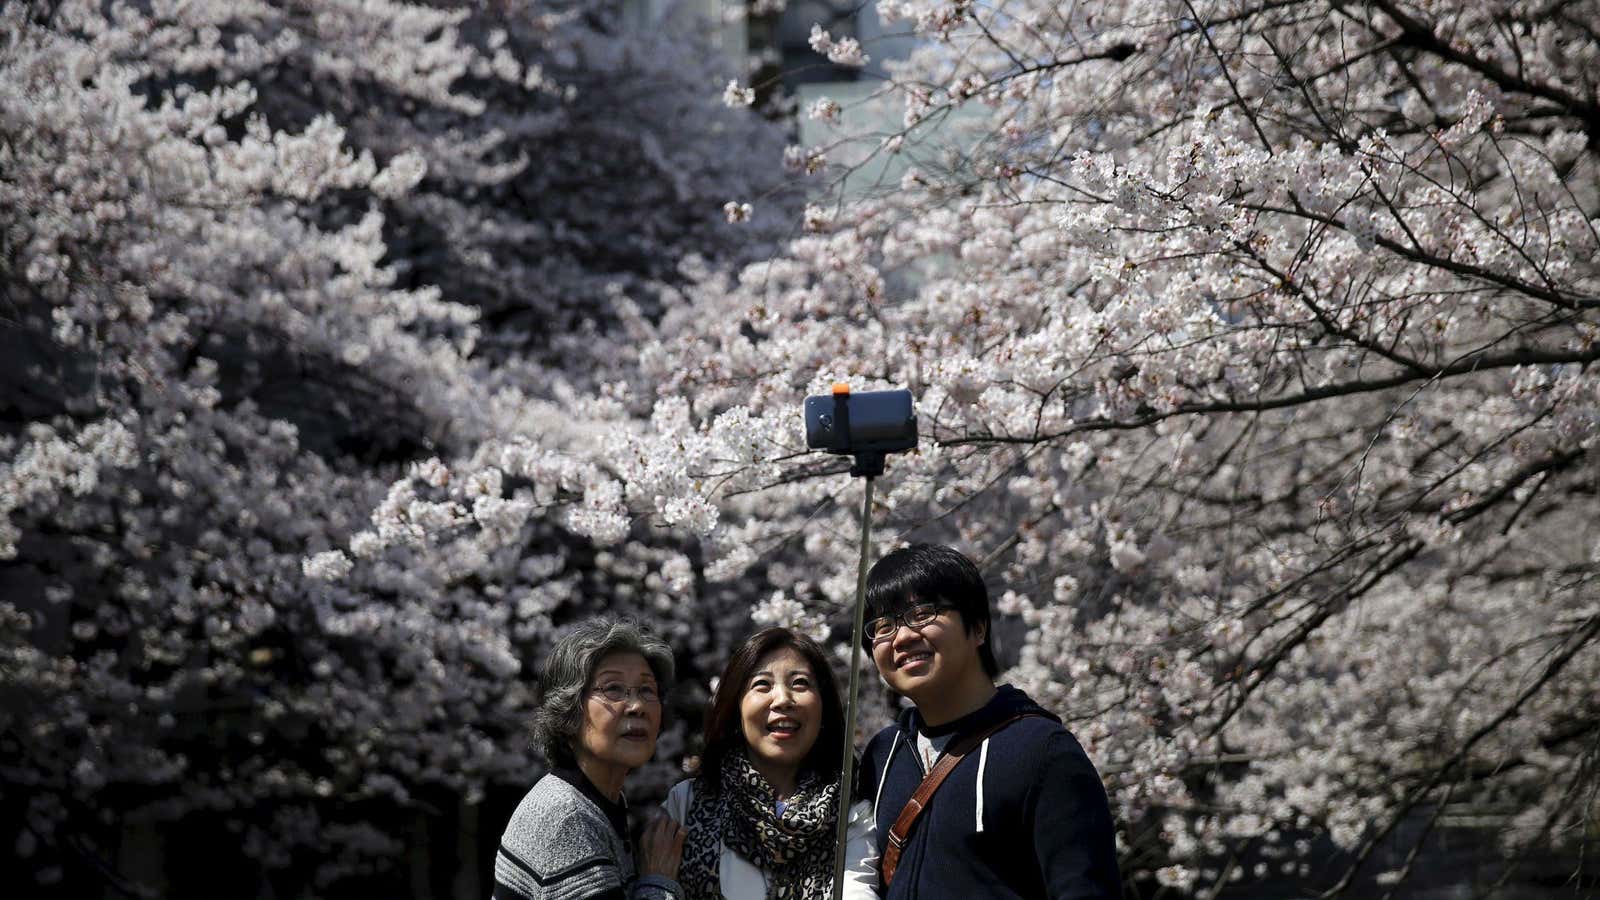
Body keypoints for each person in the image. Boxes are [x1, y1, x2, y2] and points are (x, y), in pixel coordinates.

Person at [855, 544, 1121, 899]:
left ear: (978, 627)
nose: (902, 637)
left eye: (921, 613)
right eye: (883, 626)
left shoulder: (1042, 750)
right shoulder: (882, 756)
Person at [664, 627, 877, 899]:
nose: (783, 699)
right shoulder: (685, 805)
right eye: (762, 684)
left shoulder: (851, 813)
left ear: (823, 709)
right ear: (736, 708)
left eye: (800, 683)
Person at [496, 617, 687, 900]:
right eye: (613, 689)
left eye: (647, 690)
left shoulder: (595, 801)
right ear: (568, 709)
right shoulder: (569, 818)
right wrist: (658, 882)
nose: (636, 706)